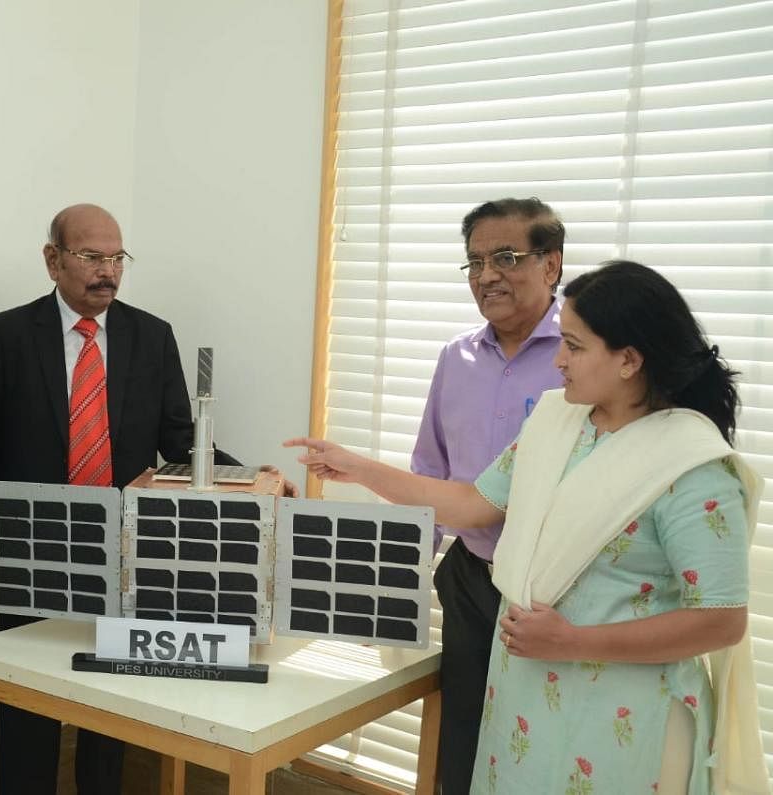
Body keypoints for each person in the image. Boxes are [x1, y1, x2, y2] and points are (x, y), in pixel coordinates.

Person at [288, 261, 765, 794]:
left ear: (629, 359)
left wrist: (575, 641)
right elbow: (472, 504)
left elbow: (720, 622)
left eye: (575, 347)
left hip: (625, 715)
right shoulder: (557, 422)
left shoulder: (694, 467)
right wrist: (358, 468)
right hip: (525, 692)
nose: (558, 361)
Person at [0, 203, 268, 794]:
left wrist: (251, 482)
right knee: (28, 707)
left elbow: (178, 442)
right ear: (53, 260)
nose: (107, 270)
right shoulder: (10, 333)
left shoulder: (150, 334)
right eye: (91, 256)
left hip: (126, 554)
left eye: (117, 258)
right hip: (35, 549)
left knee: (113, 707)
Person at [412, 197, 566, 792]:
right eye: (475, 261)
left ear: (551, 264)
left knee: (542, 750)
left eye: (506, 257)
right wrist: (400, 572)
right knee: (466, 744)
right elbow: (430, 469)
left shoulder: (584, 355)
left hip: (553, 590)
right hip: (472, 578)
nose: (486, 275)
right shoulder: (457, 358)